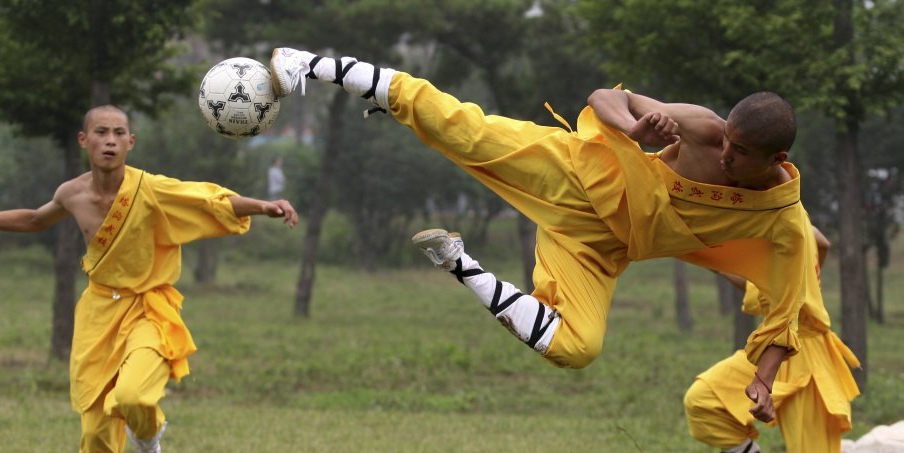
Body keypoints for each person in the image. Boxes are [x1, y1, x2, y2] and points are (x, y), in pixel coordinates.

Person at [267, 47, 808, 417]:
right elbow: (604, 97)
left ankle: (456, 261)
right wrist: (634, 127)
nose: (725, 153)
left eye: (740, 152)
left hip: (596, 249)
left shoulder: (784, 221)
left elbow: (787, 307)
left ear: (777, 158)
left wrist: (762, 380)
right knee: (463, 128)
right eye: (727, 141)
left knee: (578, 348)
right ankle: (310, 64)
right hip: (576, 171)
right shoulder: (707, 129)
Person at [0, 105, 298, 453]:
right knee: (95, 427)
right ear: (84, 140)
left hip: (148, 309)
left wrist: (262, 206)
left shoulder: (149, 189)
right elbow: (34, 219)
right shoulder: (72, 194)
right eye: (100, 132)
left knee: (135, 397)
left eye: (119, 133)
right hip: (98, 315)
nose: (109, 140)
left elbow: (208, 200)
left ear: (130, 143)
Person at [684, 224, 863, 453]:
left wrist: (788, 220)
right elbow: (820, 243)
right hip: (770, 350)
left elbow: (814, 245)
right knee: (704, 400)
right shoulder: (777, 239)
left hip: (809, 362)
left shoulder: (787, 236)